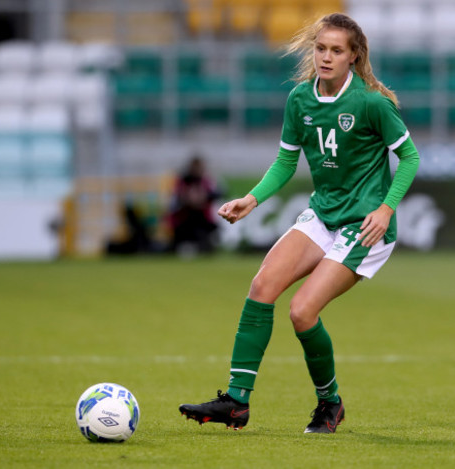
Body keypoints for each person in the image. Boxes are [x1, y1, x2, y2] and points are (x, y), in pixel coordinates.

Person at [179, 13, 420, 434]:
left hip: (363, 226)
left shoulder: (371, 103)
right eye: (321, 48)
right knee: (261, 287)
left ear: (354, 56)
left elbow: (411, 158)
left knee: (302, 311)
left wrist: (386, 209)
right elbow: (287, 161)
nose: (326, 57)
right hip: (323, 214)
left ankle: (330, 403)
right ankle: (236, 402)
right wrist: (252, 199)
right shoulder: (299, 100)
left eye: (336, 50)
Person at [168, 156, 221, 254]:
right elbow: (174, 201)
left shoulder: (206, 180)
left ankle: (203, 247)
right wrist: (187, 199)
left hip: (203, 218)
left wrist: (204, 197)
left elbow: (219, 193)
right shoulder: (183, 181)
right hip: (184, 218)